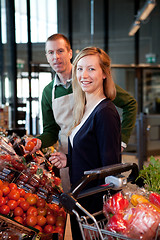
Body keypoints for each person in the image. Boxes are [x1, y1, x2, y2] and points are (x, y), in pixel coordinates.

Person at [29, 33, 137, 191]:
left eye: (60, 51)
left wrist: (121, 141)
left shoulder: (95, 93)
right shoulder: (48, 92)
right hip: (72, 158)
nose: (56, 57)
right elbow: (51, 131)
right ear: (46, 56)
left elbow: (130, 104)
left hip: (94, 169)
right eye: (50, 53)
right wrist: (39, 142)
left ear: (70, 53)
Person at [49, 46, 121, 240]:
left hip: (94, 209)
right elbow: (90, 152)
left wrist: (104, 213)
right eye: (79, 69)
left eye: (91, 69)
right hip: (79, 200)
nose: (83, 75)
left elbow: (111, 169)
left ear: (104, 73)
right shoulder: (84, 108)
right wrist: (68, 159)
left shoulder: (105, 112)